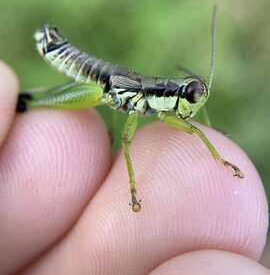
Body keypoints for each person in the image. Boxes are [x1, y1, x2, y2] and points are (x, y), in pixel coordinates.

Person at [0, 61, 268, 275]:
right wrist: (132, 189)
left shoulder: (169, 105)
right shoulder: (148, 98)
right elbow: (125, 126)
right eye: (193, 95)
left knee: (196, 132)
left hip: (121, 84)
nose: (195, 104)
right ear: (174, 93)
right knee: (123, 135)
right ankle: (29, 103)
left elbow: (193, 125)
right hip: (103, 84)